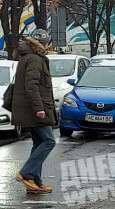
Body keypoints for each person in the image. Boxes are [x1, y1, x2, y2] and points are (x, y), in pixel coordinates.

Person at [12, 29, 57, 194]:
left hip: (31, 108)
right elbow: (32, 86)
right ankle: (25, 173)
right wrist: (39, 109)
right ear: (43, 44)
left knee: (39, 142)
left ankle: (34, 182)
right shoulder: (35, 59)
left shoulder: (28, 57)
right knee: (49, 141)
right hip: (36, 110)